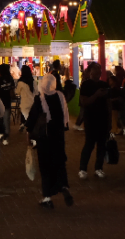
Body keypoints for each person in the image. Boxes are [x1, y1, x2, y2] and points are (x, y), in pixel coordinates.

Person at [25, 73, 74, 209]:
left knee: (46, 166)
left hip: (45, 138)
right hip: (58, 136)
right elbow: (65, 114)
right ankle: (63, 186)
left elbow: (32, 118)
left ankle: (47, 197)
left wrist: (28, 132)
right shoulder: (60, 96)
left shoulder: (39, 99)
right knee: (59, 162)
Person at [78, 62, 110, 180]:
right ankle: (82, 169)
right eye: (95, 70)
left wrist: (110, 120)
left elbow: (108, 103)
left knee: (102, 145)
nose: (98, 72)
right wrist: (96, 95)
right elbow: (84, 102)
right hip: (91, 119)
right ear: (90, 72)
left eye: (99, 70)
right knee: (89, 144)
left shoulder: (104, 84)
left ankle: (98, 168)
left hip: (103, 119)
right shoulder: (86, 85)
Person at [0, 64, 15, 145]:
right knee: (6, 120)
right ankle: (6, 137)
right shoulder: (10, 78)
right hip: (7, 102)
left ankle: (0, 134)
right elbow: (12, 91)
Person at [17, 65, 38, 131]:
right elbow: (37, 92)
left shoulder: (20, 82)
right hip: (33, 104)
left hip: (24, 104)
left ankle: (23, 125)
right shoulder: (33, 81)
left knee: (29, 124)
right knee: (32, 123)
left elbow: (17, 92)